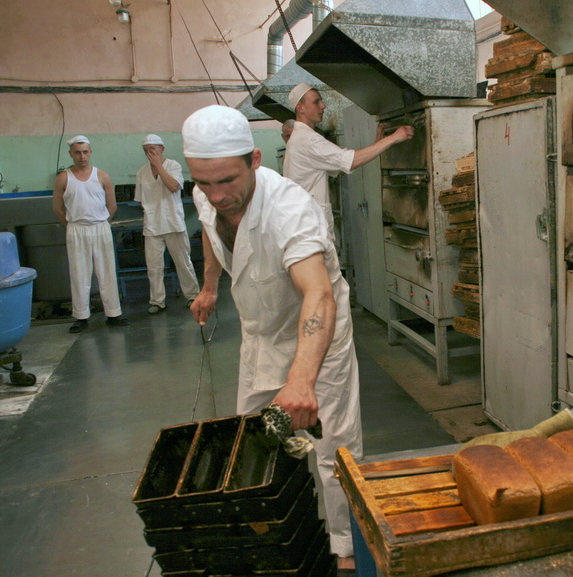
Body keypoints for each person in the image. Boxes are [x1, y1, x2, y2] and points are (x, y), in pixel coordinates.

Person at [183, 105, 362, 573]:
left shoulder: (290, 208)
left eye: (227, 181)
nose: (217, 194)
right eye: (204, 182)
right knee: (256, 438)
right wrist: (208, 287)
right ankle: (276, 533)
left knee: (332, 449)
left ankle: (344, 547)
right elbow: (210, 231)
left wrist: (302, 380)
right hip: (261, 333)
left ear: (255, 160)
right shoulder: (208, 193)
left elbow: (318, 295)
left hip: (318, 340)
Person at [283, 82, 415, 237]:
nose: (323, 105)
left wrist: (377, 144)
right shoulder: (308, 140)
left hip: (305, 228)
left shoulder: (301, 138)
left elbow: (340, 167)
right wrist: (394, 137)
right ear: (301, 108)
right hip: (310, 231)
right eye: (316, 101)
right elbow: (350, 161)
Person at [53, 135, 130, 333]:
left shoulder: (102, 176)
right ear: (71, 154)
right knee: (79, 273)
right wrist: (72, 225)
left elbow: (111, 206)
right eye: (77, 152)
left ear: (90, 153)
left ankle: (113, 314)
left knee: (107, 271)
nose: (82, 156)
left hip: (100, 227)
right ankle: (81, 316)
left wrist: (101, 221)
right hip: (76, 229)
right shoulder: (63, 177)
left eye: (85, 152)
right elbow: (58, 209)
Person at [133, 134, 200, 314]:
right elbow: (140, 200)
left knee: (183, 262)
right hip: (152, 225)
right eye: (146, 151)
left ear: (161, 149)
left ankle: (193, 296)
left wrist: (158, 166)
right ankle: (157, 301)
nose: (150, 153)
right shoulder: (141, 172)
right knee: (154, 266)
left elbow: (173, 186)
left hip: (173, 222)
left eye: (153, 150)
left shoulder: (173, 166)